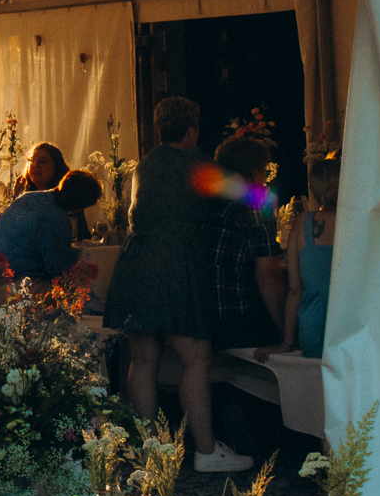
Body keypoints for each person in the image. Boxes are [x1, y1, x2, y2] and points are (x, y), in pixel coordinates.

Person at [106, 96, 252, 473]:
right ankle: (206, 450)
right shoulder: (194, 164)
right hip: (175, 262)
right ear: (191, 130)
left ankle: (149, 450)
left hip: (135, 260)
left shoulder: (145, 164)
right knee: (197, 358)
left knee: (143, 358)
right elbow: (245, 194)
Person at [202, 137, 283, 351]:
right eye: (265, 171)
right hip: (235, 319)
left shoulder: (203, 202)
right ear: (255, 174)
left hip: (198, 321)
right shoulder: (253, 206)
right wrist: (286, 333)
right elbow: (268, 277)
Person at [262, 157, 339, 362]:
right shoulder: (359, 222)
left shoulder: (303, 223)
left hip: (315, 328)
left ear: (314, 189)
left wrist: (287, 342)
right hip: (353, 324)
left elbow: (295, 290)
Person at [0, 169, 101, 283]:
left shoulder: (28, 197)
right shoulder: (56, 217)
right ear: (80, 204)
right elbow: (59, 270)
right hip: (4, 284)